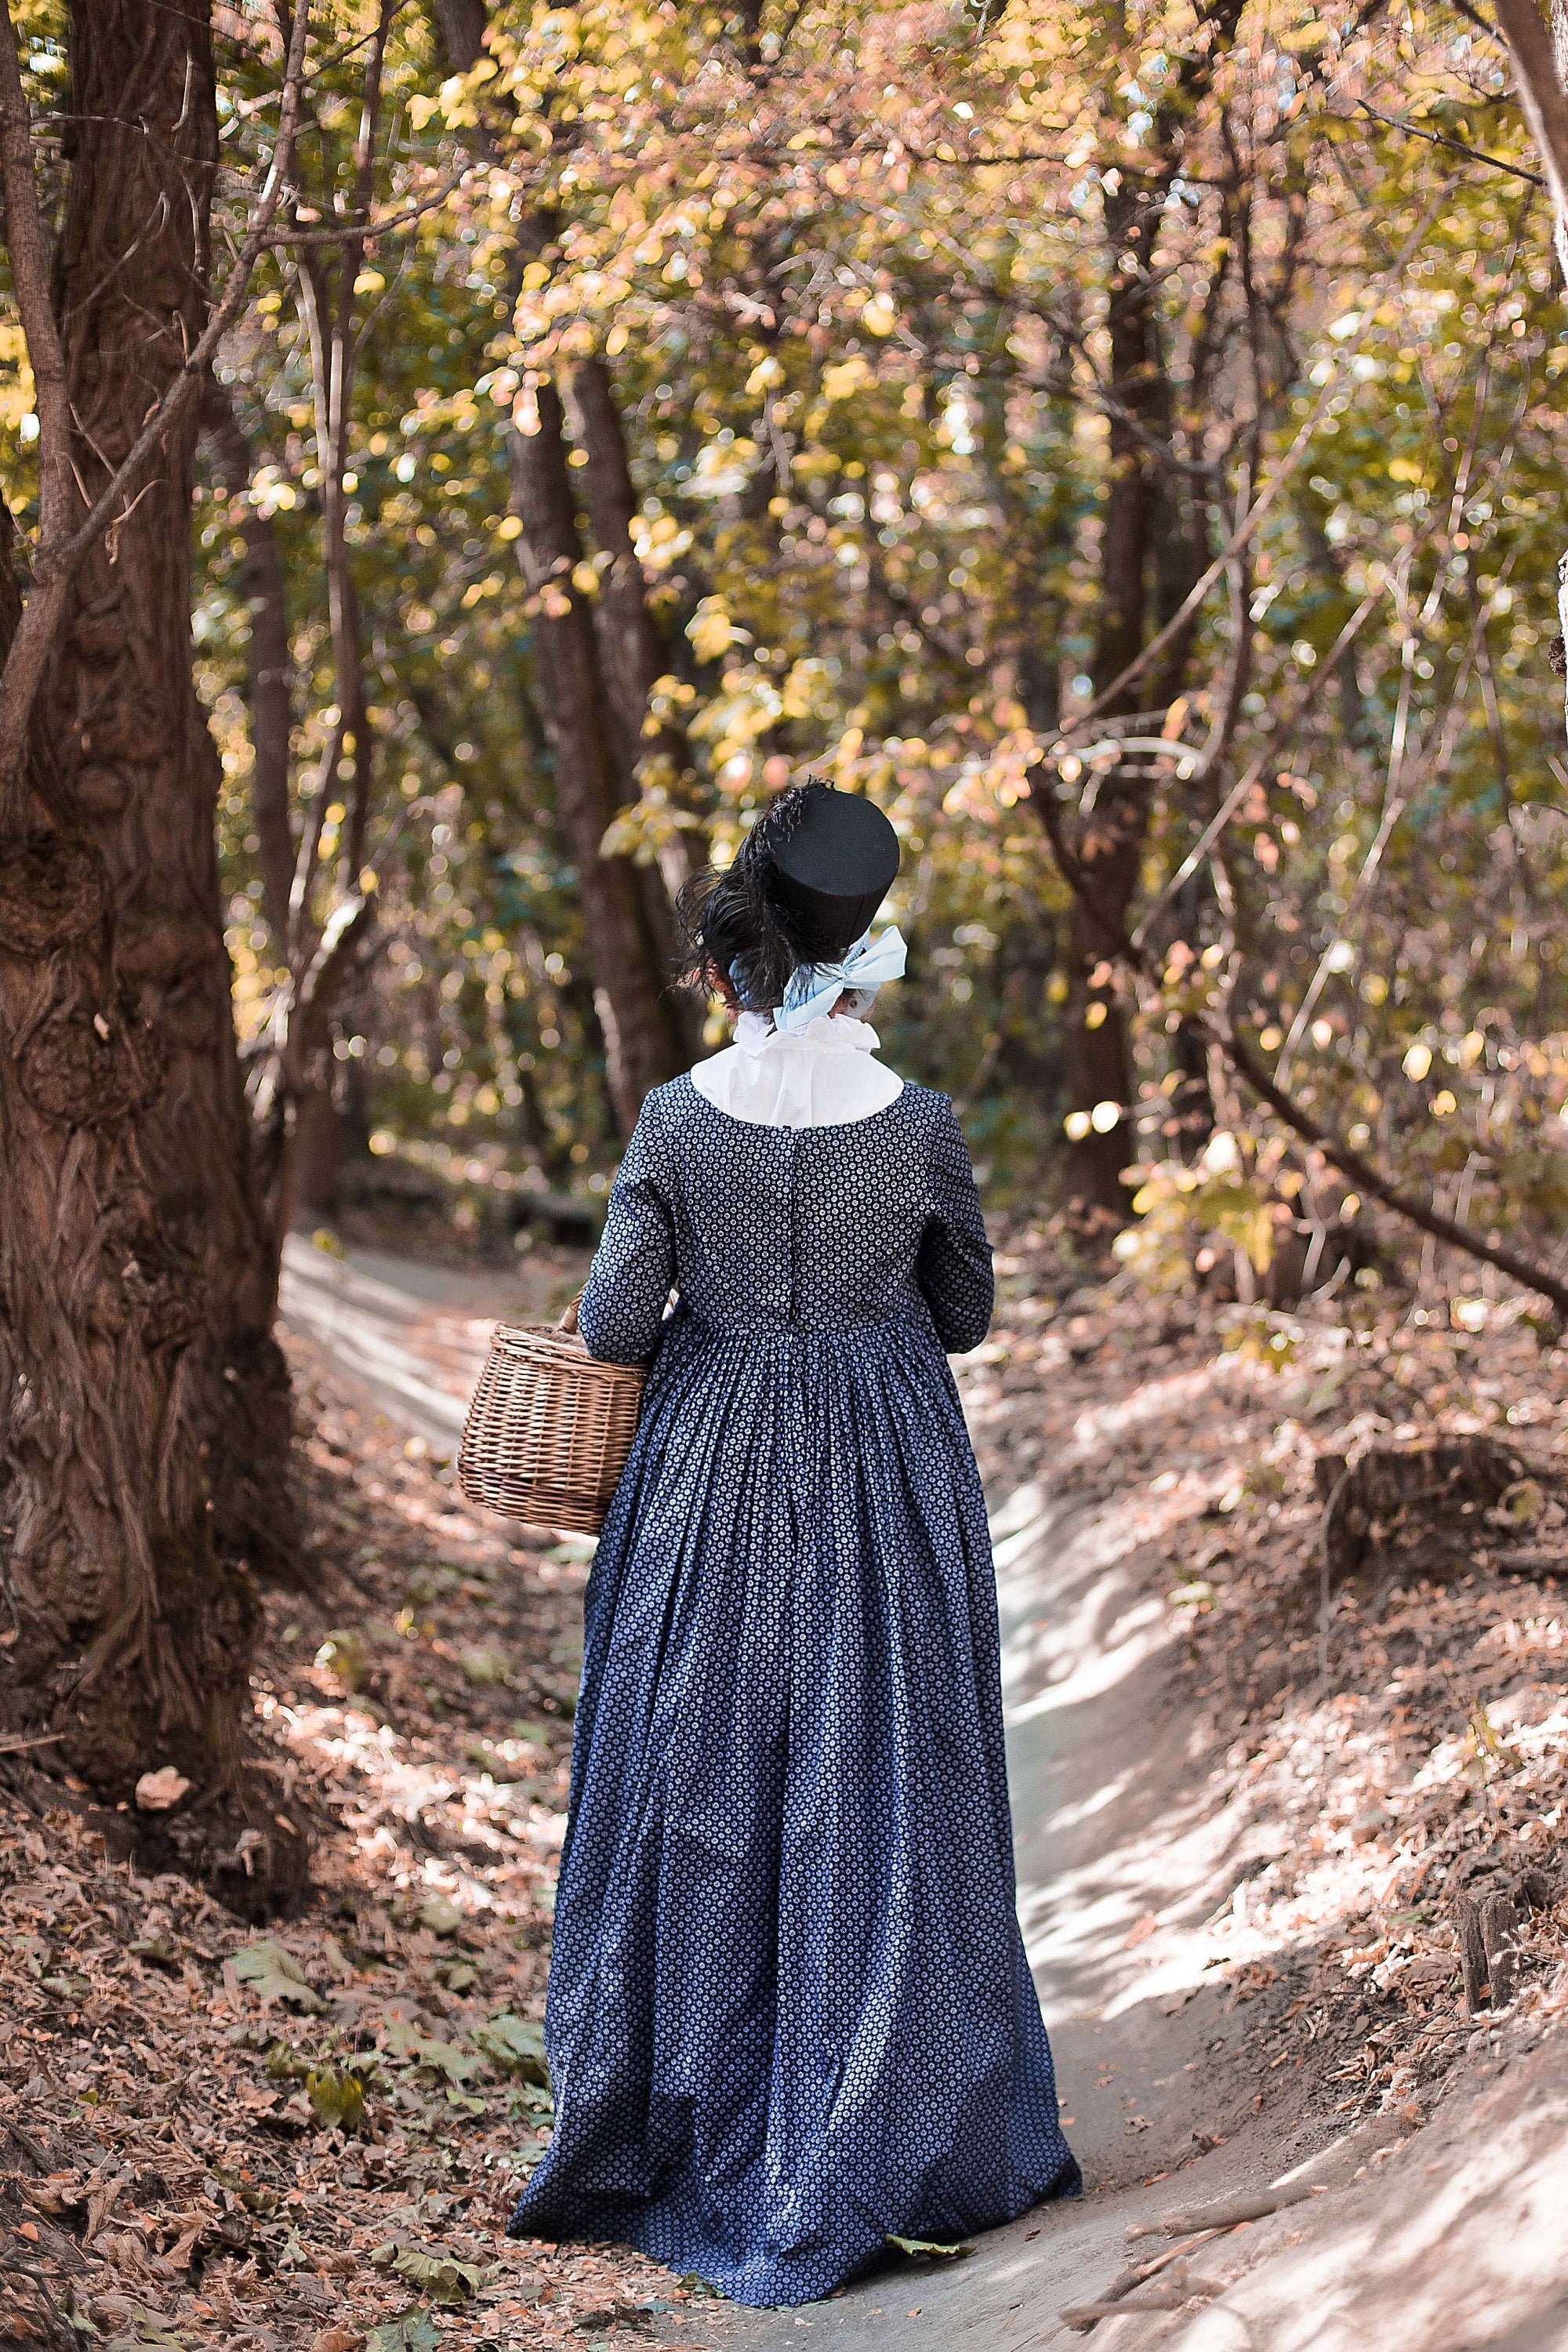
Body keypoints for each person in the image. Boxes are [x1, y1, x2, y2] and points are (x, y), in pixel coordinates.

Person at [507, 781, 1080, 2306]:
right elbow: (961, 1316)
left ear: (738, 954)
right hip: (884, 1484)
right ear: (859, 946)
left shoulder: (679, 1120)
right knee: (875, 1785)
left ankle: (687, 2119)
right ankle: (883, 2123)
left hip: (704, 1484)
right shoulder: (922, 1126)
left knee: (702, 1788)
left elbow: (615, 1323)